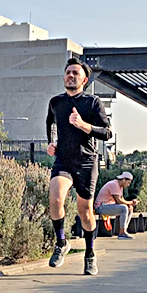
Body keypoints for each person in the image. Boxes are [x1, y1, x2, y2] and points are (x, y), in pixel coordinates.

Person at [46, 58, 113, 275]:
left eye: (75, 73)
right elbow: (51, 124)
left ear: (84, 79)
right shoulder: (56, 102)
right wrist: (51, 143)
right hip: (63, 160)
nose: (71, 76)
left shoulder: (92, 103)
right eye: (68, 72)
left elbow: (107, 132)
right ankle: (61, 243)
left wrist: (84, 125)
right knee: (55, 199)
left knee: (85, 212)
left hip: (86, 161)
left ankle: (90, 254)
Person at [94, 171, 139, 239]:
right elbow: (118, 201)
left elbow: (122, 199)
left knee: (129, 209)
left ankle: (124, 230)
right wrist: (131, 202)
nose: (128, 185)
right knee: (124, 208)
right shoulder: (114, 184)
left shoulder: (120, 187)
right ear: (124, 180)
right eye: (128, 182)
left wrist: (129, 204)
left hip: (107, 206)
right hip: (101, 207)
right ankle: (122, 233)